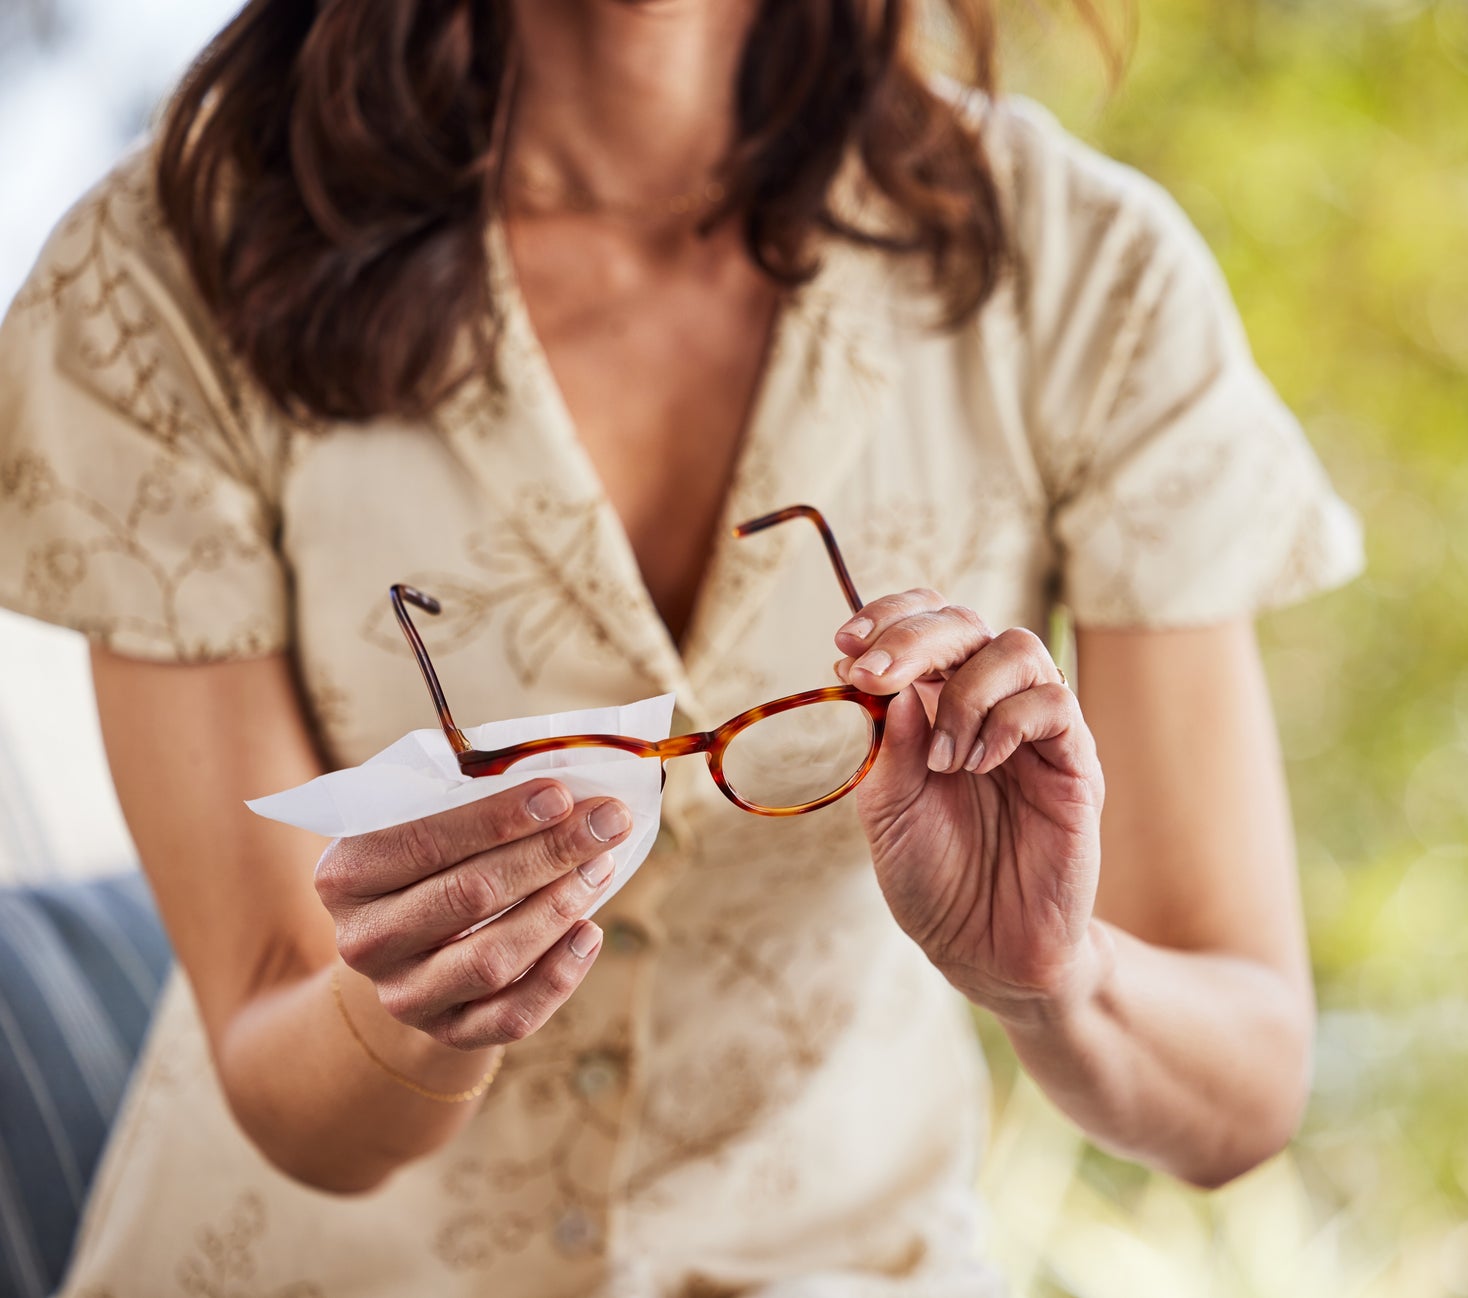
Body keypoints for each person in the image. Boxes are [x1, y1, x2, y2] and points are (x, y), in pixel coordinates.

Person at [0, 0, 1363, 1292]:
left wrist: (1054, 979)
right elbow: (277, 1053)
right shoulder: (160, 280)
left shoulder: (1082, 277)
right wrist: (411, 1002)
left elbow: (1237, 1097)